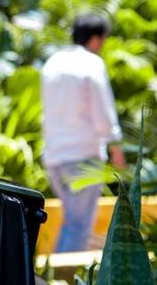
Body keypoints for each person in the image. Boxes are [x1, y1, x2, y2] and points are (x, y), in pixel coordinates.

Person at [40, 14, 126, 253]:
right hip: (84, 157)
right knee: (78, 226)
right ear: (96, 39)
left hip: (55, 157)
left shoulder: (53, 63)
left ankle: (57, 270)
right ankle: (62, 273)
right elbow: (103, 114)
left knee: (73, 222)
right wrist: (117, 152)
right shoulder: (91, 64)